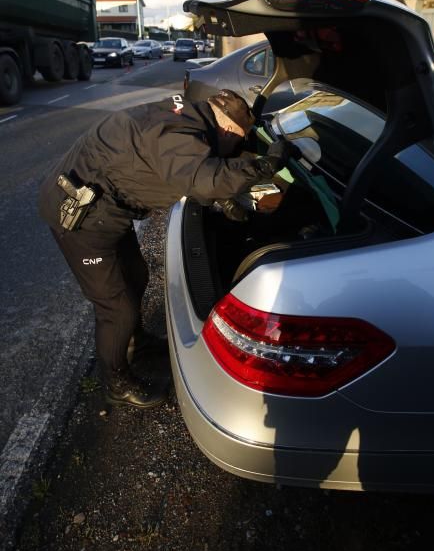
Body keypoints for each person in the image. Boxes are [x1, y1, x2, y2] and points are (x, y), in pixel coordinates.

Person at [38, 89, 298, 409]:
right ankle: (115, 382)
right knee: (116, 307)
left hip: (105, 211)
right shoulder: (179, 133)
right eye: (238, 141)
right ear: (229, 129)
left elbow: (178, 168)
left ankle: (137, 342)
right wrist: (264, 165)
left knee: (136, 274)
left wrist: (222, 196)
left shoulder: (188, 116)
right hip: (81, 220)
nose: (236, 149)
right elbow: (202, 177)